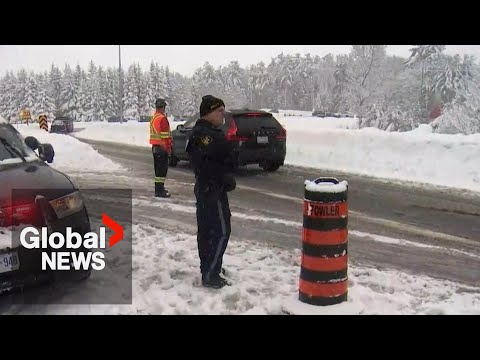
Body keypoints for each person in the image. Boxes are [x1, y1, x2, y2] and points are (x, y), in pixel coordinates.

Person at [186, 95, 236, 289]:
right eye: (219, 111)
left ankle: (210, 268)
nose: (223, 115)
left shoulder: (207, 132)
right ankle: (211, 274)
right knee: (220, 231)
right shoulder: (204, 134)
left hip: (210, 188)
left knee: (208, 231)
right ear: (208, 113)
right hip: (212, 189)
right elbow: (209, 163)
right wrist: (224, 179)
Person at [150, 98, 172, 198]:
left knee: (158, 170)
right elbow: (165, 137)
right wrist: (168, 148)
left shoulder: (154, 117)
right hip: (162, 148)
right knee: (162, 171)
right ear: (163, 107)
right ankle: (159, 191)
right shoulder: (162, 118)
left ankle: (158, 188)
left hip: (155, 147)